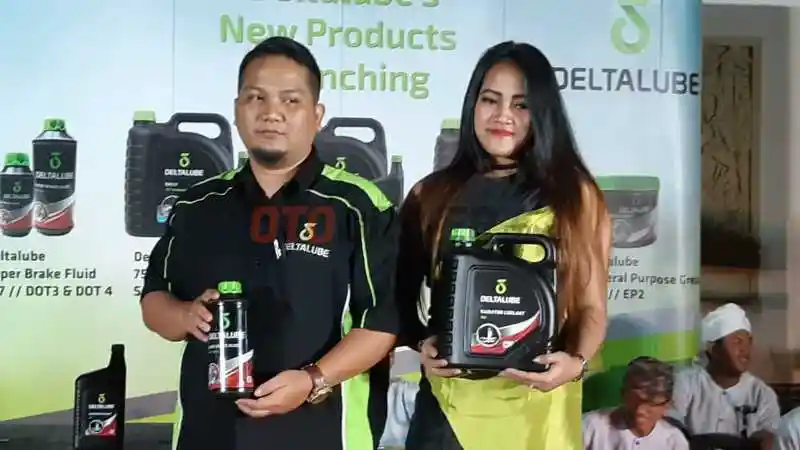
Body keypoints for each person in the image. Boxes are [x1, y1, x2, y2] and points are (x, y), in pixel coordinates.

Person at [138, 36, 399, 450]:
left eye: (290, 101)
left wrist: (313, 380)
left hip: (322, 432)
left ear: (317, 116)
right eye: (256, 97)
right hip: (207, 433)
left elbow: (381, 325)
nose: (271, 113)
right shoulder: (196, 205)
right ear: (237, 108)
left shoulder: (358, 205)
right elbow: (154, 300)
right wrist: (185, 315)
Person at [395, 41, 611, 450]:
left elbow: (592, 308)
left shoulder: (575, 198)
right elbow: (400, 299)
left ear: (542, 112)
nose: (502, 116)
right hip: (447, 411)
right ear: (472, 105)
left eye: (521, 104)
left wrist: (576, 363)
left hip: (538, 416)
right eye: (490, 100)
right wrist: (422, 343)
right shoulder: (431, 195)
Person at [669, 303, 780, 450]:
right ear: (714, 349)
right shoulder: (685, 383)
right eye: (737, 342)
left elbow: (768, 437)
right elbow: (670, 431)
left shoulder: (762, 394)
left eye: (748, 342)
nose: (745, 350)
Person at [583, 356, 689, 449]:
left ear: (666, 406)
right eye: (634, 400)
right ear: (623, 394)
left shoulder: (674, 441)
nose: (640, 411)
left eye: (651, 404)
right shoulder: (591, 426)